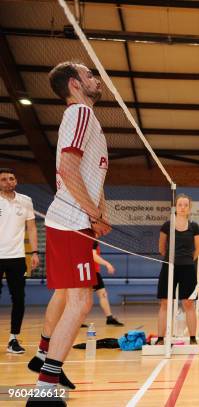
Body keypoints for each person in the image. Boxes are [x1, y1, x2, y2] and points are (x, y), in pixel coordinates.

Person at [27, 60, 111, 406]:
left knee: (68, 297)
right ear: (75, 83)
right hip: (71, 219)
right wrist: (92, 213)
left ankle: (45, 358)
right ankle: (45, 389)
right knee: (81, 302)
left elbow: (90, 176)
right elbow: (67, 167)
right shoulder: (80, 115)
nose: (96, 78)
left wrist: (99, 210)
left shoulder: (84, 118)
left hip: (75, 219)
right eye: (89, 74)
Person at [0, 168, 39, 354]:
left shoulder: (25, 201)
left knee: (19, 299)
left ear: (16, 181)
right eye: (4, 179)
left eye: (11, 178)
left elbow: (31, 228)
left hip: (16, 257)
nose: (8, 181)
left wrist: (35, 252)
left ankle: (13, 339)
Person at [156, 194, 199, 346]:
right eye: (180, 205)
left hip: (188, 268)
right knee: (165, 303)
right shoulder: (167, 225)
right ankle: (161, 338)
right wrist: (172, 261)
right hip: (169, 268)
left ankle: (193, 338)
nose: (183, 207)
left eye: (186, 205)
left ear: (189, 208)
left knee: (188, 303)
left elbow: (198, 249)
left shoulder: (194, 226)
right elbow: (161, 248)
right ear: (175, 208)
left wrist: (186, 260)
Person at [80, 242, 124, 327]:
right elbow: (93, 255)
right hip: (91, 272)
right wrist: (107, 264)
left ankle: (109, 318)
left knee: (101, 295)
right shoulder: (92, 240)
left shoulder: (89, 240)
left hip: (90, 272)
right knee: (88, 299)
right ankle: (78, 320)